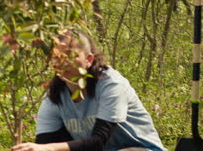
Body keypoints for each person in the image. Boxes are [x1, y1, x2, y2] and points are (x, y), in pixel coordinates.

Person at [12, 29, 167, 151]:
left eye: (70, 56)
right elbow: (44, 143)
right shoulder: (54, 97)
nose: (63, 63)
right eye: (57, 57)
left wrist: (49, 148)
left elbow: (98, 142)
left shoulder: (110, 83)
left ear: (89, 59)